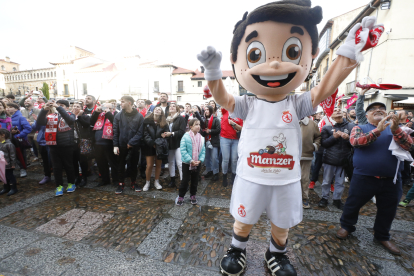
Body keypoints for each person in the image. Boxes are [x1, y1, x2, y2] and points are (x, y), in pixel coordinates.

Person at [196, 1, 375, 274]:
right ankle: (237, 249)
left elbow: (325, 87)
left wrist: (347, 52)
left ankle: (277, 254)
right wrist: (212, 72)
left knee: (282, 223)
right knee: (243, 220)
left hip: (285, 179)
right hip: (251, 176)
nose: (275, 63)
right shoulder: (248, 104)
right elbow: (222, 98)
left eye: (292, 51)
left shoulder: (297, 103)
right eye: (257, 54)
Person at [337, 104, 414, 256]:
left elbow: (409, 145)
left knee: (388, 210)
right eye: (373, 109)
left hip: (391, 179)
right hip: (364, 177)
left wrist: (395, 129)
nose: (378, 110)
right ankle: (347, 226)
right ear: (367, 115)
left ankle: (382, 236)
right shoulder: (360, 127)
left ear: (387, 113)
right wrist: (378, 130)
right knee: (353, 204)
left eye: (381, 108)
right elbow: (356, 142)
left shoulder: (397, 129)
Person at [37, 99, 77, 196]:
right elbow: (40, 122)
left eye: (61, 105)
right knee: (56, 167)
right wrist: (44, 110)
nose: (56, 106)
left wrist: (58, 108)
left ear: (67, 108)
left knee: (69, 166)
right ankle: (59, 186)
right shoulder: (50, 116)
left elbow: (70, 120)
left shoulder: (71, 114)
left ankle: (71, 183)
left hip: (67, 145)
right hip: (53, 145)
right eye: (56, 105)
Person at [319, 107, 354, 210]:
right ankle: (324, 198)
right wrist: (334, 137)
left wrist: (348, 139)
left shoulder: (351, 126)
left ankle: (337, 200)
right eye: (335, 110)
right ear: (330, 114)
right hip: (330, 159)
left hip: (344, 160)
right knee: (326, 181)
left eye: (339, 109)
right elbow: (324, 144)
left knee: (340, 182)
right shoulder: (327, 127)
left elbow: (354, 144)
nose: (338, 111)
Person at [113, 96, 144, 194]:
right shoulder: (118, 115)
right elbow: (115, 131)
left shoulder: (139, 116)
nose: (120, 103)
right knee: (121, 165)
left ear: (129, 103)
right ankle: (121, 184)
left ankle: (133, 182)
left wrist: (131, 142)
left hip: (134, 145)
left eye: (122, 102)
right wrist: (115, 145)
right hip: (121, 145)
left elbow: (140, 132)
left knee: (134, 165)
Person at [175, 119, 205, 205]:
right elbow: (183, 150)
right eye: (196, 124)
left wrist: (200, 160)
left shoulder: (201, 138)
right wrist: (190, 160)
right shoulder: (185, 136)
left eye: (199, 124)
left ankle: (193, 195)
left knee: (195, 180)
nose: (198, 126)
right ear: (191, 127)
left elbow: (203, 151)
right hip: (187, 163)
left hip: (197, 163)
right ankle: (181, 196)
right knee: (185, 180)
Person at [91, 102, 118, 186]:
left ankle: (116, 180)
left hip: (109, 143)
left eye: (108, 108)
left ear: (113, 109)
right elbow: (91, 122)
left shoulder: (115, 114)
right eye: (104, 108)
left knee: (113, 163)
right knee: (101, 163)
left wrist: (109, 113)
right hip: (98, 143)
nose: (105, 110)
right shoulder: (99, 115)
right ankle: (105, 179)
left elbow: (116, 123)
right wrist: (96, 112)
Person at [142, 106, 169, 191]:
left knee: (158, 165)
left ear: (161, 113)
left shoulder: (164, 123)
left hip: (160, 147)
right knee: (149, 165)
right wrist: (152, 143)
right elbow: (145, 134)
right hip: (149, 146)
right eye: (156, 109)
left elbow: (166, 134)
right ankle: (147, 182)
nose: (157, 110)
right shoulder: (146, 121)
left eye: (159, 110)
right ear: (153, 111)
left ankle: (156, 181)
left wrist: (164, 136)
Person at [300, 116, 321, 209]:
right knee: (288, 179)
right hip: (288, 156)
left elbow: (318, 137)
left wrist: (314, 146)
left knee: (304, 178)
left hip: (305, 155)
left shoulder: (312, 123)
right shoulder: (287, 120)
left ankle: (304, 197)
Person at [164, 102, 186, 188]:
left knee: (180, 163)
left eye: (174, 106)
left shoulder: (180, 118)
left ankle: (183, 182)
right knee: (171, 162)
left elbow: (182, 132)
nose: (172, 107)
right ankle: (172, 180)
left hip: (178, 143)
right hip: (169, 143)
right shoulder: (167, 119)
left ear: (177, 109)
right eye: (170, 106)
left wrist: (172, 133)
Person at [7, 102, 32, 178]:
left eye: (10, 107)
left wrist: (18, 136)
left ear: (16, 109)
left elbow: (28, 128)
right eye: (7, 107)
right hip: (7, 140)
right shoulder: (5, 117)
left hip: (18, 141)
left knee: (20, 155)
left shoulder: (20, 117)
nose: (8, 108)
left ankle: (23, 169)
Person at [220, 108, 243, 186]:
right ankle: (224, 176)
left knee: (234, 159)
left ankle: (233, 177)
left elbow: (242, 128)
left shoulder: (240, 114)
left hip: (236, 140)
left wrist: (233, 124)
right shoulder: (225, 110)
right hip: (225, 138)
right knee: (225, 159)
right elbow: (222, 100)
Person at [72, 102, 91, 187]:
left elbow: (86, 125)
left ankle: (84, 177)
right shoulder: (69, 116)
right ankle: (76, 176)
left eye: (78, 106)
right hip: (72, 142)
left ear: (82, 108)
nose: (75, 108)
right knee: (74, 160)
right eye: (74, 106)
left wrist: (79, 117)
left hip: (81, 142)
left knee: (83, 160)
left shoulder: (85, 116)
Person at [31, 109, 52, 185]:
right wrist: (37, 121)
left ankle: (57, 176)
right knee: (45, 161)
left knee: (53, 161)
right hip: (42, 142)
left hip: (51, 142)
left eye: (48, 110)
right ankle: (47, 176)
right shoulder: (40, 117)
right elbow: (34, 128)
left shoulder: (54, 117)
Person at [201, 105, 221, 181]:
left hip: (214, 141)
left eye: (207, 110)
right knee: (207, 157)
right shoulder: (204, 120)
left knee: (214, 157)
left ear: (211, 110)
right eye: (205, 110)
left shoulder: (215, 119)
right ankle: (209, 170)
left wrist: (210, 131)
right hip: (205, 141)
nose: (206, 111)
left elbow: (218, 130)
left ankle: (216, 173)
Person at [0, 129, 17, 196]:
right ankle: (6, 187)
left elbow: (12, 155)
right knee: (4, 176)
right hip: (2, 165)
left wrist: (13, 164)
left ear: (3, 135)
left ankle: (13, 188)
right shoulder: (1, 144)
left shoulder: (9, 144)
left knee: (10, 176)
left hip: (9, 165)